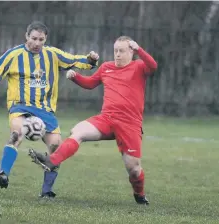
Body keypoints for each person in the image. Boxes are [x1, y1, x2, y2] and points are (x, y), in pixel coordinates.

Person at [28, 36, 158, 205]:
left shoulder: (139, 66)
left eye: (122, 51)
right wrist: (75, 77)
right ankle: (52, 161)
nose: (117, 54)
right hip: (106, 119)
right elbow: (90, 84)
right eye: (115, 51)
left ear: (131, 52)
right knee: (78, 131)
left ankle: (139, 194)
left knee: (133, 169)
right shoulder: (106, 68)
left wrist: (140, 49)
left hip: (129, 124)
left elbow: (153, 66)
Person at [0, 21, 99, 198]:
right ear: (26, 36)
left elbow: (75, 60)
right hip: (20, 107)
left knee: (56, 147)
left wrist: (91, 60)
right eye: (33, 38)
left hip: (45, 111)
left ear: (45, 39)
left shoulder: (53, 54)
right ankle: (3, 174)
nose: (37, 43)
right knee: (17, 133)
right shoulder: (13, 55)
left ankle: (47, 191)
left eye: (41, 39)